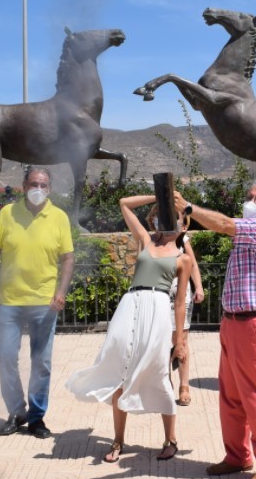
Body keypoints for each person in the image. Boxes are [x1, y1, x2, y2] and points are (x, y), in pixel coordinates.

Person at [174, 180, 256, 479]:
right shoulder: (250, 231)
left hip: (254, 322)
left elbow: (222, 224)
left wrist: (188, 208)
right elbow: (224, 224)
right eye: (249, 196)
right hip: (235, 322)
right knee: (232, 396)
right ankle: (237, 456)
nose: (251, 202)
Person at [67, 195, 192, 462]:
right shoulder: (146, 240)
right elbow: (124, 203)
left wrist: (180, 340)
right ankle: (118, 440)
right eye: (164, 215)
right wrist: (160, 196)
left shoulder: (183, 258)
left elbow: (181, 302)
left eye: (174, 217)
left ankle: (171, 439)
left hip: (158, 308)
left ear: (184, 226)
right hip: (130, 304)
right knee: (119, 368)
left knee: (159, 370)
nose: (167, 220)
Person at [0, 166, 75, 439]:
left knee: (41, 362)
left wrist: (61, 291)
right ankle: (16, 411)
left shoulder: (59, 217)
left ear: (50, 188)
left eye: (43, 185)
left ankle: (36, 417)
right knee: (5, 357)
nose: (38, 189)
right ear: (24, 186)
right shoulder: (7, 214)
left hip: (44, 302)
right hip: (8, 301)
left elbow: (67, 258)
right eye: (33, 184)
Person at [146, 205, 204, 407]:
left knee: (181, 340)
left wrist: (199, 286)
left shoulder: (182, 240)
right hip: (158, 296)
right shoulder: (150, 240)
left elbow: (193, 265)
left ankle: (184, 386)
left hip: (180, 295)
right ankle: (166, 382)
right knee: (161, 342)